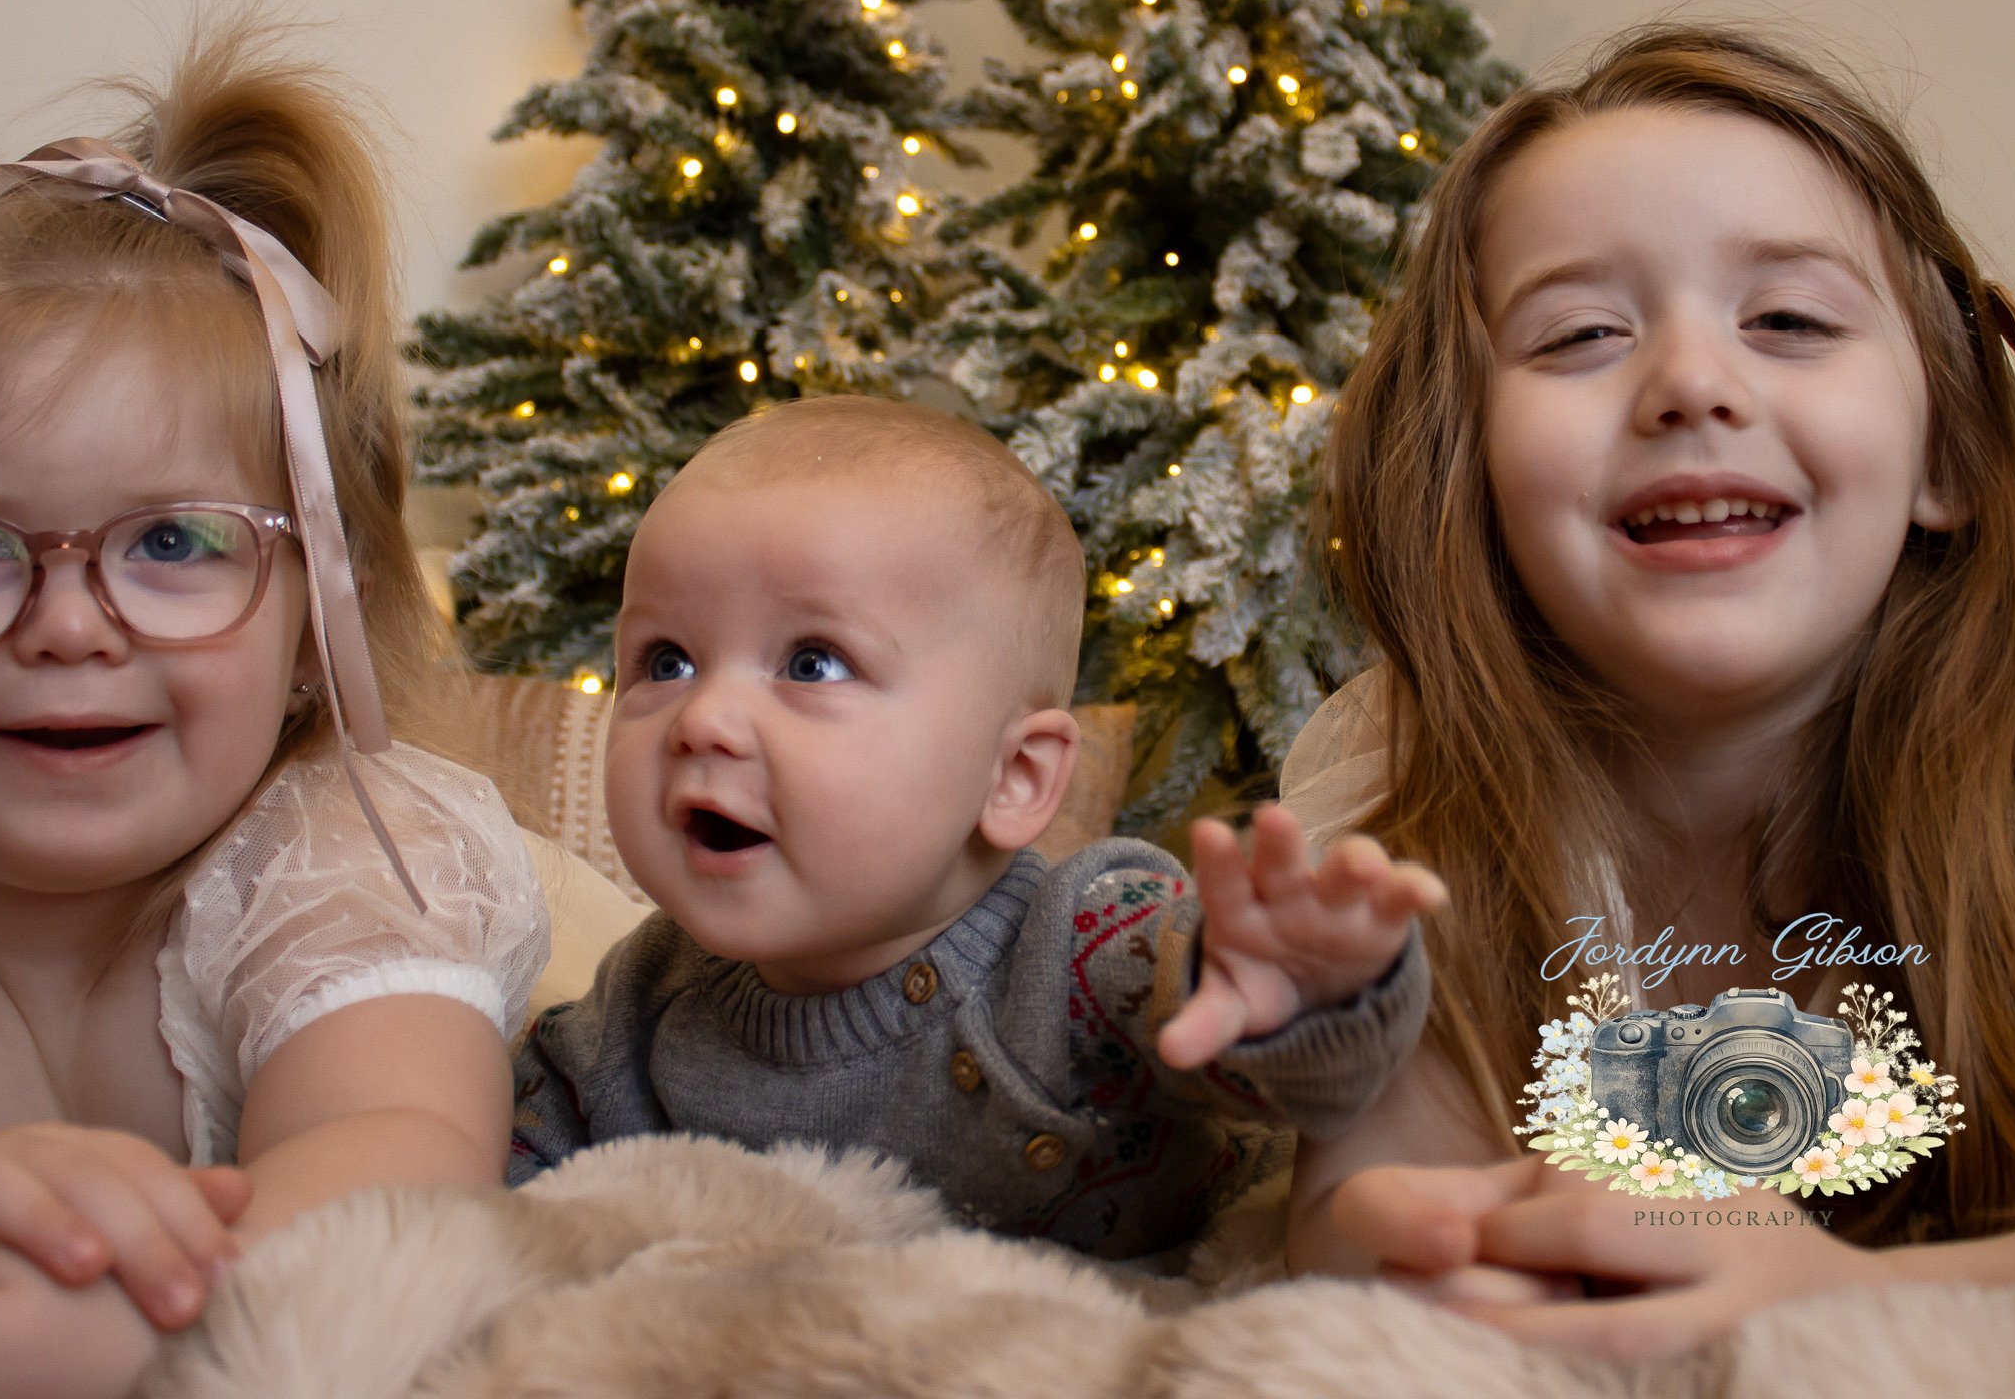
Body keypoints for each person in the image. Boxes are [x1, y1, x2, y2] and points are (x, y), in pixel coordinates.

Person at [0, 27, 550, 1397]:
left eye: (173, 543)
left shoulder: (344, 864)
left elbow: (398, 1164)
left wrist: (147, 1327)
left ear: (313, 630)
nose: (65, 627)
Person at [1276, 23, 2015, 1357]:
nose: (1691, 385)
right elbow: (1372, 1235)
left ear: (1946, 445)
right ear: (1468, 478)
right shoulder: (1399, 798)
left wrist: (1866, 1303)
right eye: (1582, 334)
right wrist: (1396, 1220)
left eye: (1787, 320)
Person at [506, 395, 1441, 1258]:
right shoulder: (640, 1005)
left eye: (814, 664)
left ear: (1013, 777)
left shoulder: (1093, 940)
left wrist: (1292, 986)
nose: (702, 719)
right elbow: (501, 1194)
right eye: (665, 660)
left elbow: (1270, 1064)